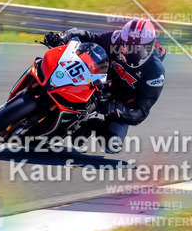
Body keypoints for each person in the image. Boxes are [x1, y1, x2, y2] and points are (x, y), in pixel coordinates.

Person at [43, 18, 166, 153]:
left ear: (150, 47)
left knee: (112, 145)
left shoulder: (155, 74)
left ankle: (92, 126)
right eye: (128, 46)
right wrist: (63, 36)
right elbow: (90, 37)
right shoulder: (116, 38)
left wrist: (112, 108)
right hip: (102, 81)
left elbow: (141, 112)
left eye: (138, 49)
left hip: (121, 101)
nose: (132, 52)